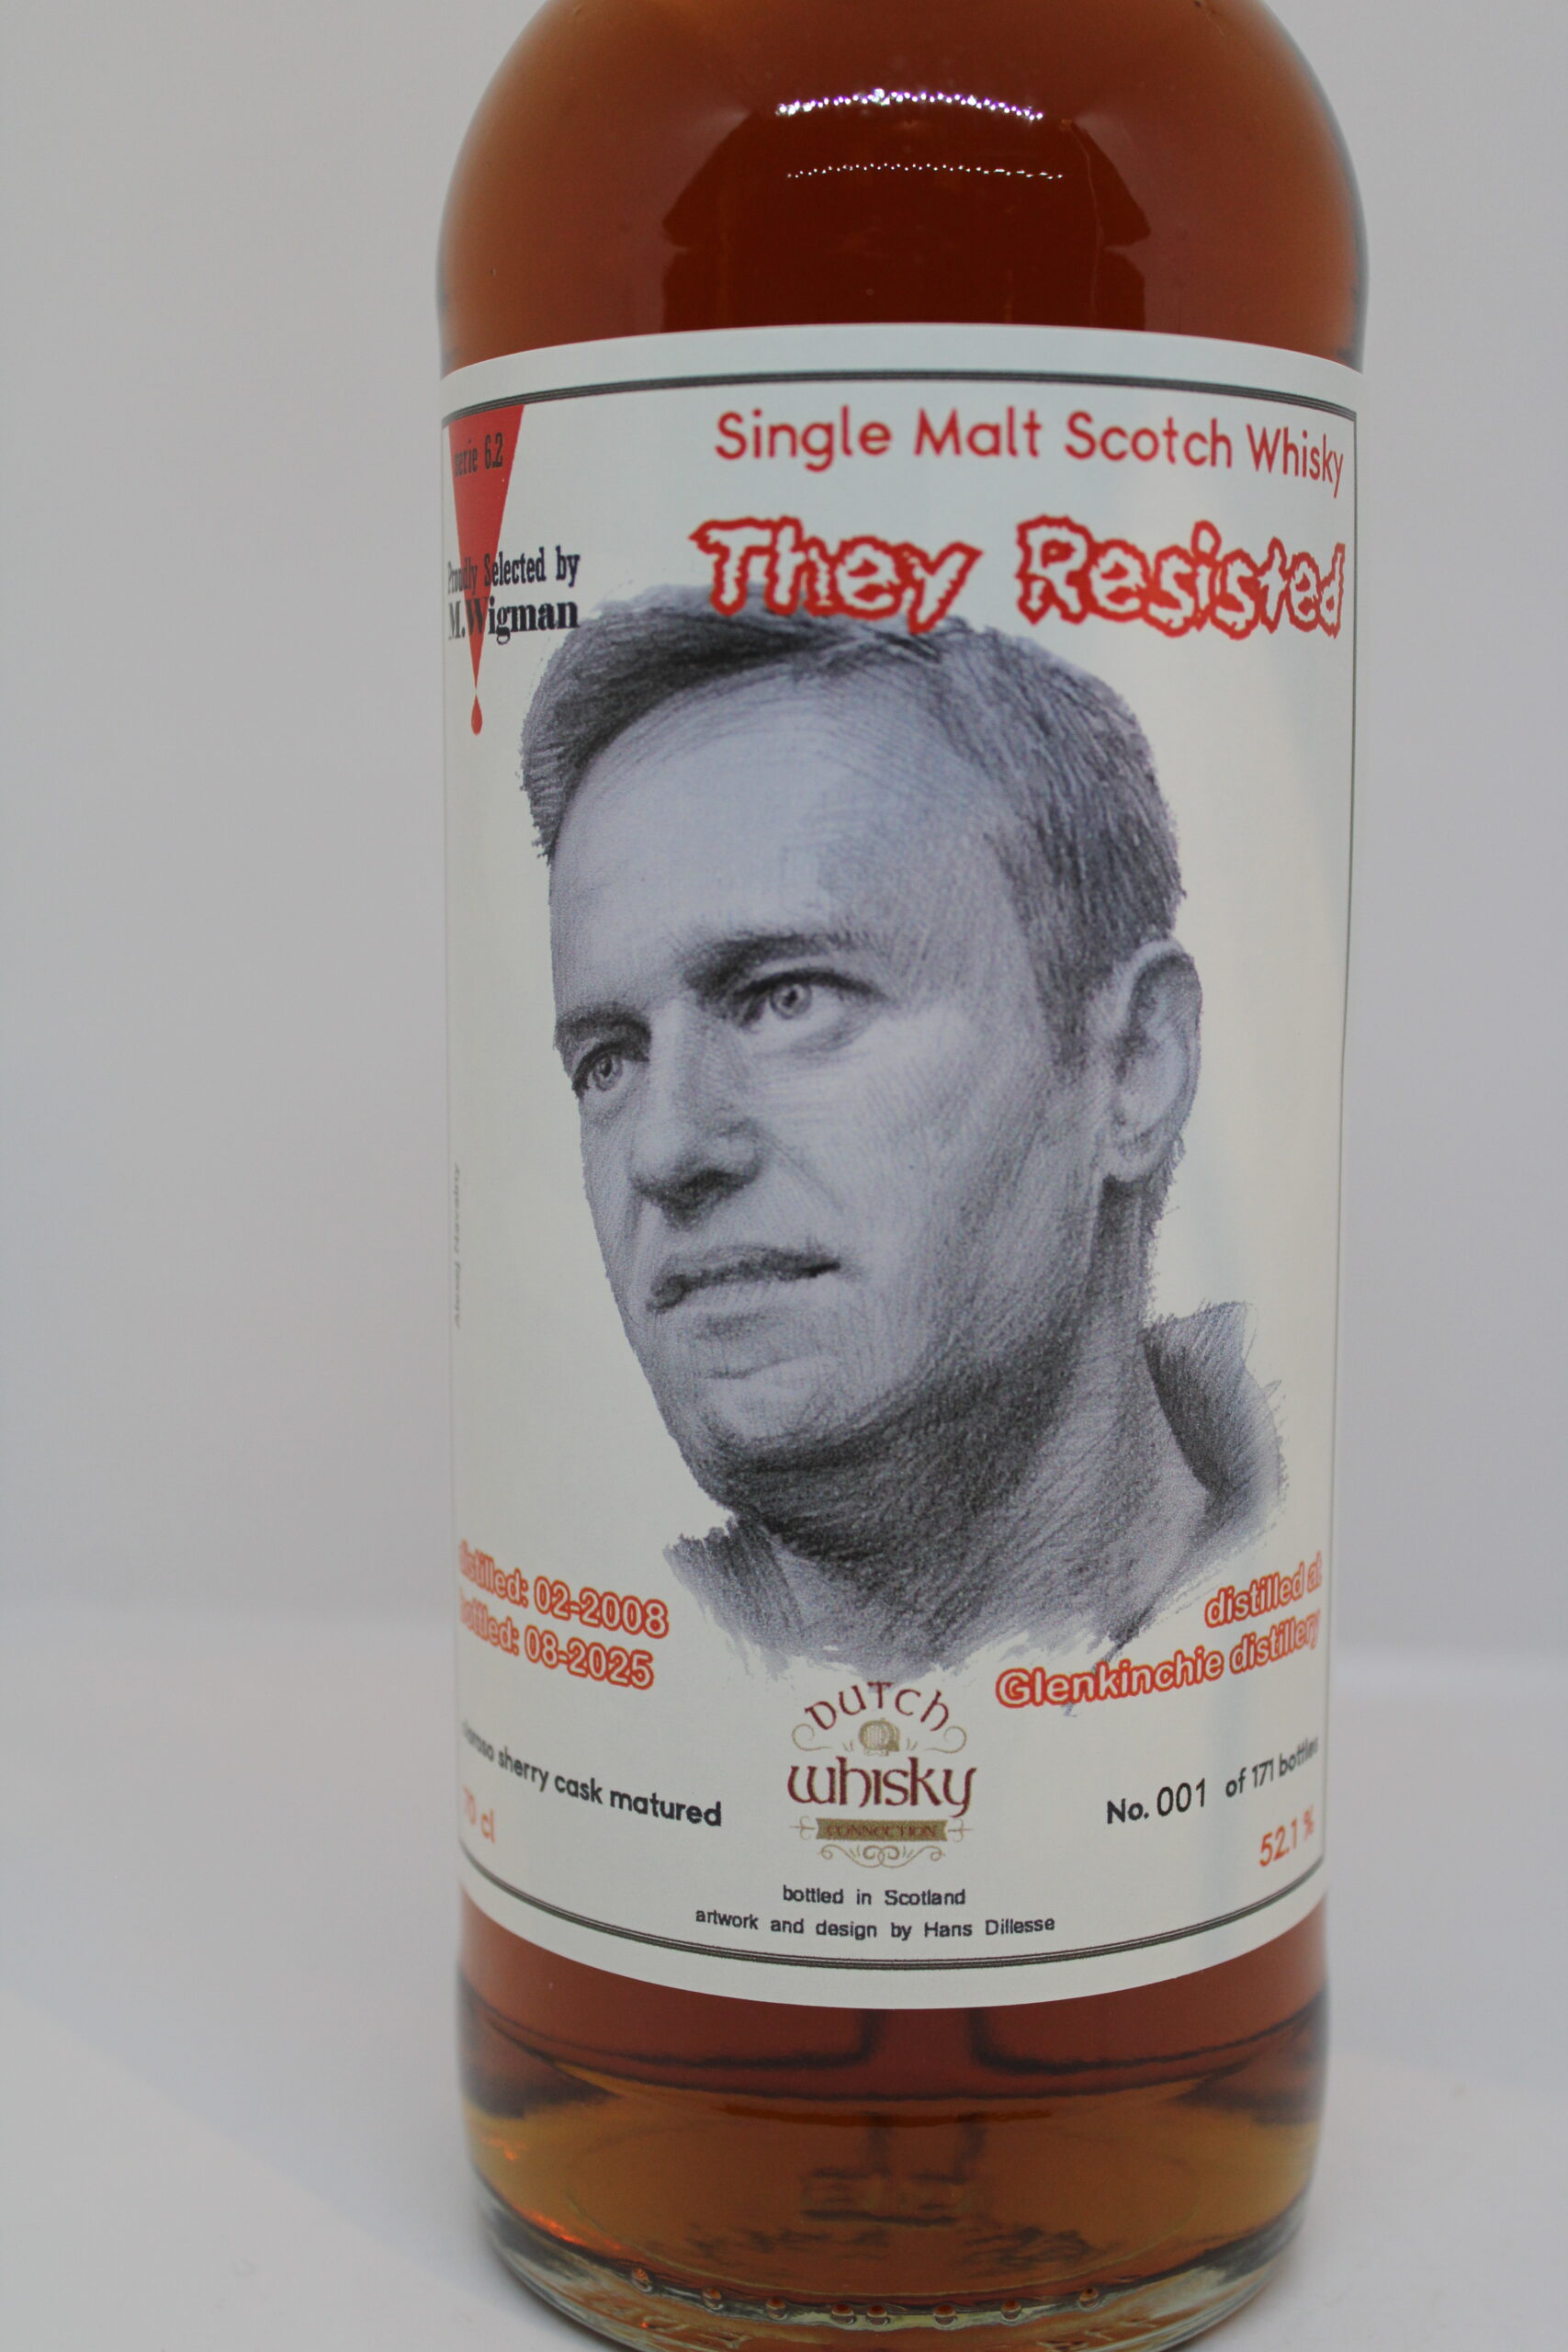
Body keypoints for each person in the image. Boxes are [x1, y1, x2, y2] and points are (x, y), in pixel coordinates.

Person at [523, 590, 1280, 1674]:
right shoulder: (624, 1654)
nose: (666, 1149)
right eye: (609, 1059)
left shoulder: (1250, 1615)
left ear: (1133, 1065)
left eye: (788, 999)